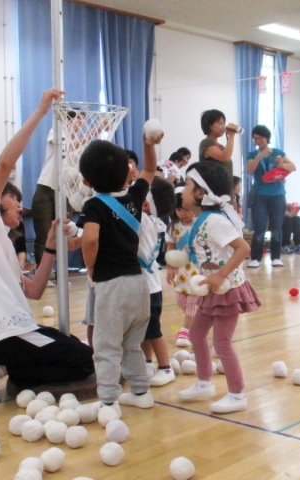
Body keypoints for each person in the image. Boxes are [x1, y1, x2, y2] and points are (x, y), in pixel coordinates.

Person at [0, 90, 94, 404]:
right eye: (15, 201)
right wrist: (39, 113)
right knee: (81, 358)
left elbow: (35, 291)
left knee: (65, 342)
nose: (20, 207)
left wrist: (50, 247)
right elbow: (3, 164)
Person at [78, 127, 162, 411]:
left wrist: (90, 268)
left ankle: (109, 400)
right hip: (139, 284)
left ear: (86, 180)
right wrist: (148, 143)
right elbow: (150, 168)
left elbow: (90, 238)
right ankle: (140, 392)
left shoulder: (93, 205)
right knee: (131, 344)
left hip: (111, 285)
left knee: (106, 346)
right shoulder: (135, 195)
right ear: (129, 172)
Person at [177, 161, 261, 414]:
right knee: (196, 334)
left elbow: (243, 248)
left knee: (222, 343)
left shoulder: (214, 220)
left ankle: (237, 395)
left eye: (188, 185)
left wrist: (220, 274)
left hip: (228, 291)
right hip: (213, 290)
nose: (182, 190)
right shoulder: (203, 219)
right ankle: (204, 383)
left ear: (201, 193)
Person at [31, 108, 84, 265]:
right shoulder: (56, 132)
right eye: (78, 118)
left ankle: (62, 272)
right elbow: (67, 148)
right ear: (67, 120)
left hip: (65, 193)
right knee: (45, 235)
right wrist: (97, 129)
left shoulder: (81, 144)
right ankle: (43, 275)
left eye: (83, 120)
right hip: (46, 189)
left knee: (64, 234)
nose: (81, 122)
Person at [138, 178, 177, 387]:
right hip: (150, 285)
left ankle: (165, 367)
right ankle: (146, 362)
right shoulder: (154, 221)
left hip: (149, 288)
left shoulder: (143, 221)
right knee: (145, 330)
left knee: (153, 330)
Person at [245, 125, 296, 268]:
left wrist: (281, 164)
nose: (258, 141)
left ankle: (276, 257)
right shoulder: (252, 154)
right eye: (255, 139)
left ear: (267, 137)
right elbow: (249, 169)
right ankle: (256, 258)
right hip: (259, 195)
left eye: (260, 137)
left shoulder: (278, 152)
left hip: (277, 195)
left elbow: (293, 167)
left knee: (277, 227)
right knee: (259, 228)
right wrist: (259, 155)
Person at [166, 191, 199, 348]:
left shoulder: (199, 224)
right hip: (180, 272)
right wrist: (170, 267)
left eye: (187, 209)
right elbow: (171, 246)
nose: (183, 213)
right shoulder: (173, 226)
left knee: (192, 303)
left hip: (196, 271)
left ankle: (185, 330)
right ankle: (198, 321)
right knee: (181, 302)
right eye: (179, 209)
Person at [199, 109, 239, 195]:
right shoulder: (205, 143)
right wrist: (231, 135)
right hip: (214, 192)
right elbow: (225, 157)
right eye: (220, 123)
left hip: (226, 192)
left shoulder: (221, 147)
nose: (223, 127)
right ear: (209, 125)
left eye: (224, 124)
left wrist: (233, 196)